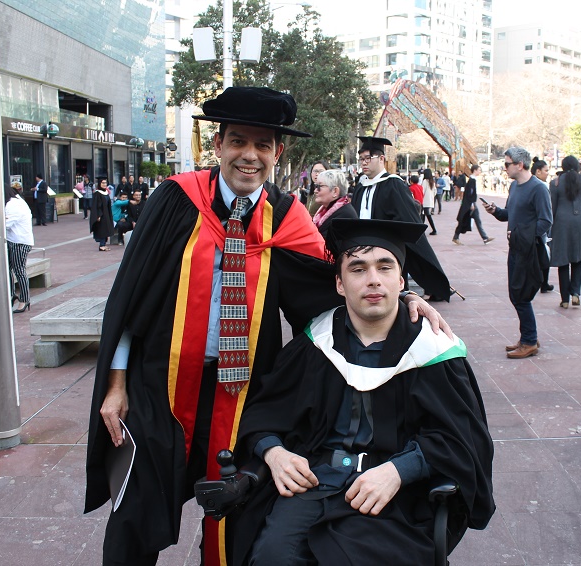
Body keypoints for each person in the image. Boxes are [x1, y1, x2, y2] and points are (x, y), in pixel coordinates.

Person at [84, 87, 447, 566]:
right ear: (218, 146)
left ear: (278, 152)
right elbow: (133, 298)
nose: (248, 155)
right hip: (160, 386)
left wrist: (399, 299)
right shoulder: (176, 201)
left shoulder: (289, 219)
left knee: (238, 510)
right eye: (237, 141)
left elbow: (330, 286)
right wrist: (115, 385)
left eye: (261, 145)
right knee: (136, 514)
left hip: (244, 394)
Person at [233, 219, 495, 565]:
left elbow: (464, 439)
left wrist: (401, 470)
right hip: (313, 483)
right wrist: (274, 453)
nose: (373, 278)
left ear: (401, 282)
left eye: (384, 267)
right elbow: (266, 409)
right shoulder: (316, 345)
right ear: (340, 284)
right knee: (270, 556)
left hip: (394, 495)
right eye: (358, 269)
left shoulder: (433, 352)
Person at [352, 137, 451, 300]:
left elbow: (408, 220)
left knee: (391, 294)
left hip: (387, 249)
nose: (363, 163)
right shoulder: (360, 187)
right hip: (362, 249)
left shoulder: (394, 185)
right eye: (361, 159)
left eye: (368, 158)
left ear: (381, 158)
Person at [483, 147, 552, 359]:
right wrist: (496, 212)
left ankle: (530, 341)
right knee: (517, 295)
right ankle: (527, 337)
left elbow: (546, 221)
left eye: (507, 164)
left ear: (520, 165)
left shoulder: (539, 189)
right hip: (516, 249)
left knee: (520, 296)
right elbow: (509, 215)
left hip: (530, 251)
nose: (504, 168)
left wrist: (523, 235)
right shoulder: (514, 187)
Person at [549, 156, 581, 309]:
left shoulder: (555, 182)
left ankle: (565, 299)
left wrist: (550, 229)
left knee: (563, 260)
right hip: (580, 221)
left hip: (561, 223)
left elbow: (553, 207)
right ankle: (575, 293)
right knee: (577, 258)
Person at [5, 182, 34, 314]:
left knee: (19, 269)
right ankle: (12, 294)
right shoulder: (16, 202)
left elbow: (6, 223)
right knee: (8, 269)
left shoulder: (13, 204)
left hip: (19, 241)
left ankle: (24, 298)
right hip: (14, 240)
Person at [453, 164, 493, 245]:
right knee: (464, 220)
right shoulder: (472, 180)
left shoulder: (472, 180)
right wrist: (471, 203)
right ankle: (456, 237)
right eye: (479, 170)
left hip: (470, 204)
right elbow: (470, 193)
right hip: (470, 204)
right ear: (475, 170)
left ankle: (485, 237)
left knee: (474, 220)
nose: (480, 171)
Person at [311, 168, 357, 236]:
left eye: (319, 186)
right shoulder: (326, 209)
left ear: (335, 191)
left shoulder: (344, 216)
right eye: (315, 186)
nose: (315, 191)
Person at [531, 157, 554, 293]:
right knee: (543, 256)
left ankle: (542, 282)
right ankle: (542, 282)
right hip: (538, 228)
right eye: (546, 171)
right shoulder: (541, 186)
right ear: (538, 171)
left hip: (535, 227)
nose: (547, 173)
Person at [90, 178, 114, 251]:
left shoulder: (106, 192)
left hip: (106, 213)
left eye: (105, 183)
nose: (104, 184)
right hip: (101, 215)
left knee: (106, 229)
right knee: (102, 230)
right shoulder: (97, 193)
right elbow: (96, 205)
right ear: (99, 184)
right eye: (103, 183)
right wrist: (98, 215)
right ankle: (101, 245)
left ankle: (104, 244)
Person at [420, 168, 438, 235]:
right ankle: (422, 230)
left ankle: (434, 229)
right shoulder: (432, 181)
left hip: (425, 201)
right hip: (430, 200)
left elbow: (422, 191)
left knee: (426, 215)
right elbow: (435, 191)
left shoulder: (425, 181)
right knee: (424, 215)